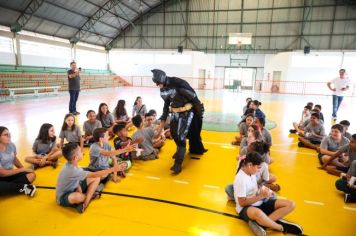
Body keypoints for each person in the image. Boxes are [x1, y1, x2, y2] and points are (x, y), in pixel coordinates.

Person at [151, 69, 207, 174]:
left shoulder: (178, 83)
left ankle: (178, 164)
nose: (158, 85)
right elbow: (166, 104)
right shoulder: (163, 88)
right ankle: (179, 151)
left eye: (158, 83)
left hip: (187, 113)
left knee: (181, 137)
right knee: (173, 134)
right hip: (175, 113)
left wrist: (199, 114)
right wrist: (162, 121)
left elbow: (194, 99)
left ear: (162, 79)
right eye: (156, 83)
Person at [233, 152, 303, 235]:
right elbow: (242, 203)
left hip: (259, 201)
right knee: (258, 213)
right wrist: (261, 196)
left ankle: (263, 223)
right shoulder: (241, 179)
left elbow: (254, 188)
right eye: (258, 167)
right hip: (246, 208)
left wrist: (263, 191)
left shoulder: (251, 173)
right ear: (250, 165)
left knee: (291, 204)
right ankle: (280, 227)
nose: (259, 170)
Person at [56, 142, 123, 213]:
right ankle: (89, 197)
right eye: (80, 151)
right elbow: (94, 174)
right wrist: (113, 169)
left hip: (74, 189)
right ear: (75, 158)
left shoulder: (72, 165)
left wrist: (79, 188)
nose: (83, 152)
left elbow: (76, 179)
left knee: (96, 179)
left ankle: (85, 202)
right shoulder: (72, 170)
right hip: (63, 197)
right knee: (77, 197)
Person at [0, 126, 37, 197]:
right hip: (2, 174)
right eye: (6, 135)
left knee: (31, 175)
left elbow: (14, 158)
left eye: (9, 134)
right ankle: (23, 188)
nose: (9, 136)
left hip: (9, 174)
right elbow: (2, 173)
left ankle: (7, 187)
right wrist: (21, 169)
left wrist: (24, 170)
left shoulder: (11, 145)